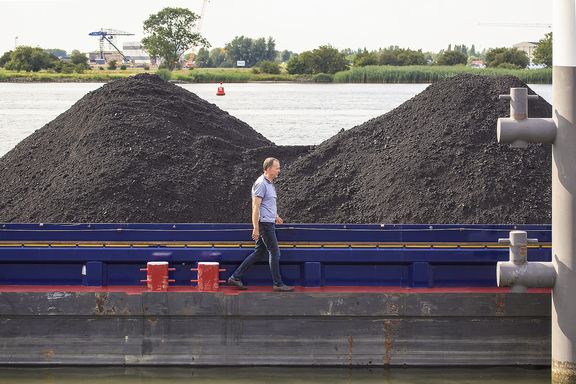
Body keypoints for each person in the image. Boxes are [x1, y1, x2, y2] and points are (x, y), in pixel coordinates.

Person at [227, 157, 294, 292]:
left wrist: (276, 216)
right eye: (277, 168)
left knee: (259, 253)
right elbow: (255, 207)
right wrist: (256, 228)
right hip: (264, 224)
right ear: (268, 169)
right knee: (275, 252)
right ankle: (278, 284)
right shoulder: (261, 184)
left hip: (269, 222)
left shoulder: (270, 184)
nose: (279, 170)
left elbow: (267, 204)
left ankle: (235, 277)